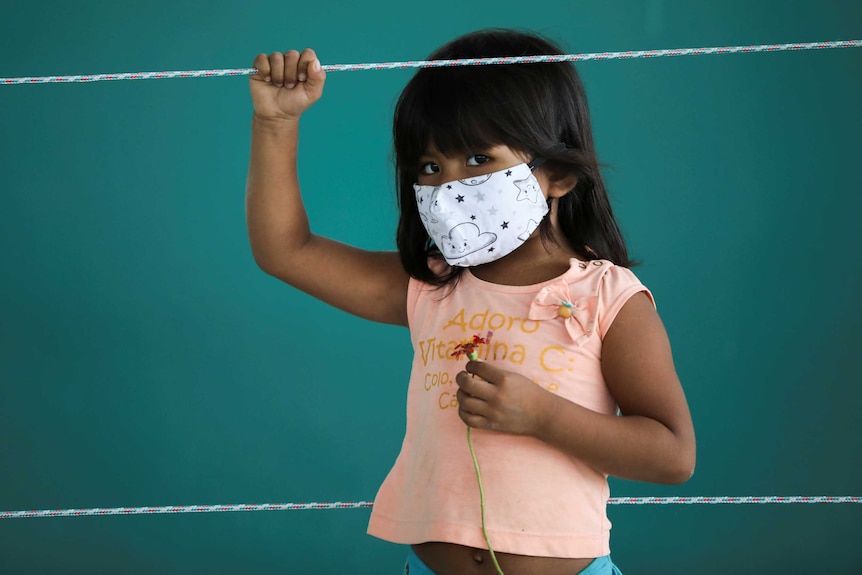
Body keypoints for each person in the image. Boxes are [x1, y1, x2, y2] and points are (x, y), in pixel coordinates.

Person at [246, 28, 695, 575]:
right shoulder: (429, 287)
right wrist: (276, 122)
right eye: (431, 168)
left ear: (558, 173)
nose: (449, 186)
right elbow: (285, 251)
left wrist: (544, 417)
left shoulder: (607, 297)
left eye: (479, 158)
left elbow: (673, 455)